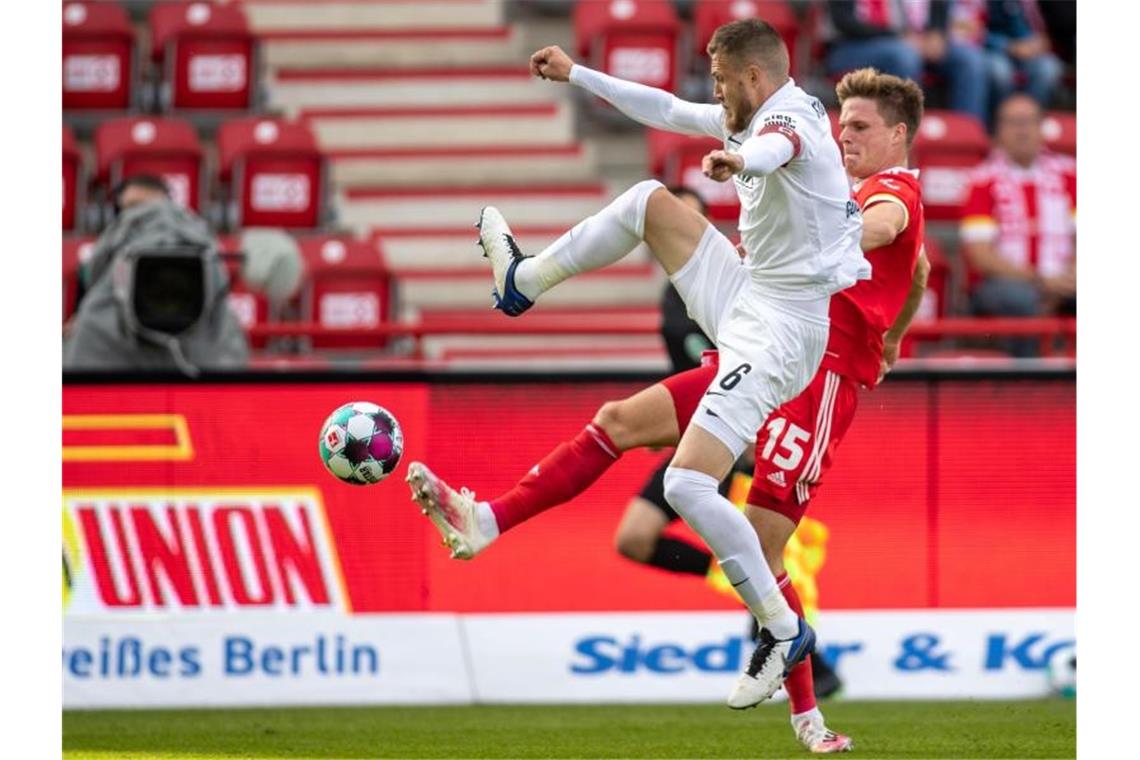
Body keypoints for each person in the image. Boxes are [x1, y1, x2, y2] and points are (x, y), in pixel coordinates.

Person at [407, 65, 928, 753]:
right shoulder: (830, 177)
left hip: (818, 377)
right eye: (843, 122)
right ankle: (486, 520)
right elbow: (916, 272)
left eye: (861, 126)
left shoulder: (891, 193)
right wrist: (893, 336)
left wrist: (849, 284)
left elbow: (887, 230)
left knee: (763, 545)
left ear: (899, 134)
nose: (846, 134)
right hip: (762, 342)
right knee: (621, 419)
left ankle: (808, 717)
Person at [612, 188, 845, 703]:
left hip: (741, 431)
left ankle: (809, 666)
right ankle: (734, 583)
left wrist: (753, 429)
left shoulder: (734, 279)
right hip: (701, 430)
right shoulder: (674, 298)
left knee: (762, 546)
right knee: (634, 538)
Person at [63, 175, 249, 374]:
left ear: (170, 208)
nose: (146, 216)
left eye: (152, 207)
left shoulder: (208, 265)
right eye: (133, 208)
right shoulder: (97, 281)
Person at [960, 92, 1076, 356]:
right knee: (1021, 299)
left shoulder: (1072, 173)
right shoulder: (981, 180)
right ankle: (1029, 384)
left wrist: (1072, 273)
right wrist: (1041, 280)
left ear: (1042, 127)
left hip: (1064, 278)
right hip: (1004, 283)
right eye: (1013, 123)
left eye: (1028, 122)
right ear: (998, 131)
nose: (1021, 131)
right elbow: (981, 254)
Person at [825, 0, 988, 124]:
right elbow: (843, 21)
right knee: (904, 56)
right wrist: (899, 37)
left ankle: (967, 139)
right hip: (851, 46)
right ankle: (908, 135)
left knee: (969, 60)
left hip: (908, 40)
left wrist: (936, 33)